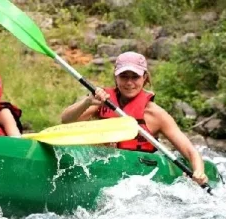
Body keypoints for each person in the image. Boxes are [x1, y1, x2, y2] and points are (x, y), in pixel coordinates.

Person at [60, 51, 208, 185]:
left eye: (135, 77)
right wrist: (87, 102)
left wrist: (199, 172)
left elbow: (190, 151)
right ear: (116, 77)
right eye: (124, 77)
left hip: (139, 178)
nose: (129, 83)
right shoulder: (102, 100)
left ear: (144, 77)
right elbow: (66, 121)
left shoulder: (156, 114)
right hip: (103, 167)